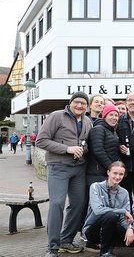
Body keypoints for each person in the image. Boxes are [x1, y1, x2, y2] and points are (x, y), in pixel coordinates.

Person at [37, 91, 93, 256]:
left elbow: (87, 144)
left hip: (79, 168)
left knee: (78, 204)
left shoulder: (88, 121)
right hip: (58, 167)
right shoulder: (56, 116)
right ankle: (52, 247)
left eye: (83, 103)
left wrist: (83, 149)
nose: (80, 105)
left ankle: (66, 240)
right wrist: (67, 149)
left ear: (86, 106)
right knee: (57, 204)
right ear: (71, 103)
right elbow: (41, 140)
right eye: (77, 102)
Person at [83, 161, 134, 257]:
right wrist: (123, 211)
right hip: (94, 229)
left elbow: (124, 218)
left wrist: (129, 228)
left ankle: (109, 243)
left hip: (113, 227)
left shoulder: (124, 192)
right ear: (108, 172)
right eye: (115, 173)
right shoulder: (96, 186)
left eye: (121, 174)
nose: (117, 177)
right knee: (111, 216)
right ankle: (104, 252)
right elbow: (98, 210)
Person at [84, 104, 122, 241]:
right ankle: (88, 235)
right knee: (95, 206)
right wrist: (112, 168)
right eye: (110, 115)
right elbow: (98, 150)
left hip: (104, 173)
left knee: (104, 206)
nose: (114, 117)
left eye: (116, 115)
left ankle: (101, 236)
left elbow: (110, 148)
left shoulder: (112, 131)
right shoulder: (99, 129)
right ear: (104, 116)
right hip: (96, 173)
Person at [117, 92, 134, 202]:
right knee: (125, 197)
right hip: (124, 165)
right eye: (130, 100)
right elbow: (113, 138)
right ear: (126, 103)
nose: (132, 102)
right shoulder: (118, 121)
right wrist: (119, 146)